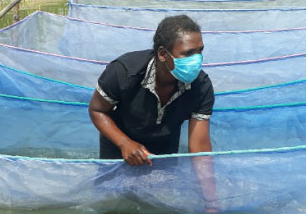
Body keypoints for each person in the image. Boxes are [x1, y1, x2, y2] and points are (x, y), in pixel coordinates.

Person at [88, 14, 214, 166]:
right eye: (188, 53)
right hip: (119, 148)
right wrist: (124, 143)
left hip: (165, 151)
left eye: (200, 51)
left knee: (161, 188)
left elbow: (200, 152)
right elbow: (97, 110)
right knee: (116, 189)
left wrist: (209, 189)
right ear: (162, 54)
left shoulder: (201, 86)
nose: (196, 60)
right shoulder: (124, 72)